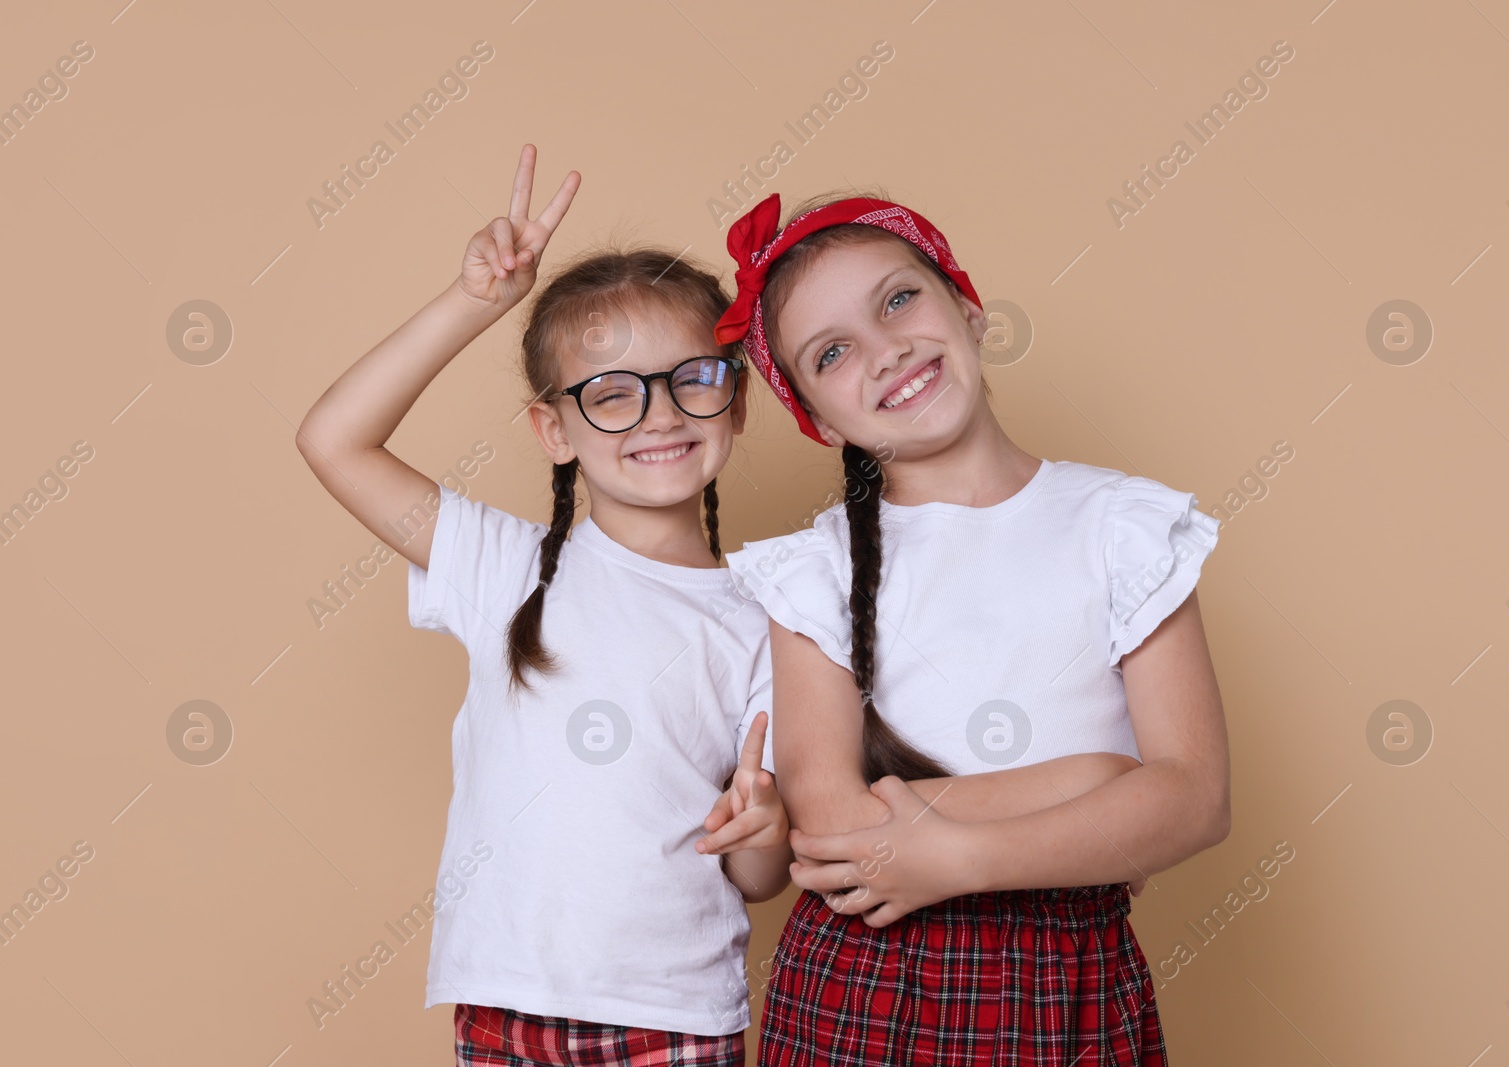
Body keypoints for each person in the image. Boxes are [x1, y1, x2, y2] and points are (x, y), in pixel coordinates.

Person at [296, 144, 791, 1067]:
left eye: (693, 378)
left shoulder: (767, 618)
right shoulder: (502, 565)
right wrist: (475, 302)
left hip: (673, 1015)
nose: (658, 414)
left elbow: (758, 875)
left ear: (735, 402)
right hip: (502, 1001)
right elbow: (334, 439)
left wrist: (765, 830)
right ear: (552, 430)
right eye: (610, 393)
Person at [714, 191, 1231, 1065]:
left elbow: (1196, 798)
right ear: (818, 420)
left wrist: (958, 856)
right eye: (833, 352)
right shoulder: (818, 568)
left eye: (899, 299)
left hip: (1068, 981)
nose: (886, 351)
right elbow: (834, 823)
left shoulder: (1123, 525)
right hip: (865, 977)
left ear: (966, 304)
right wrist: (1097, 778)